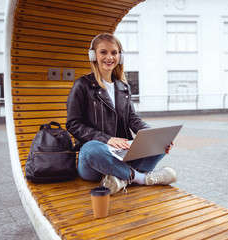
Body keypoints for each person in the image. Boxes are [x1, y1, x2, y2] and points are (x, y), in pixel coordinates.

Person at [66, 33, 177, 194]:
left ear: (120, 56)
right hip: (96, 159)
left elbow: (133, 119)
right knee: (91, 148)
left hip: (123, 155)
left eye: (114, 52)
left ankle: (119, 178)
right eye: (103, 52)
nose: (109, 57)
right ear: (93, 55)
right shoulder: (82, 85)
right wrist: (107, 139)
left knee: (160, 144)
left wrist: (154, 136)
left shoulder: (123, 87)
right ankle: (142, 178)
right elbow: (73, 124)